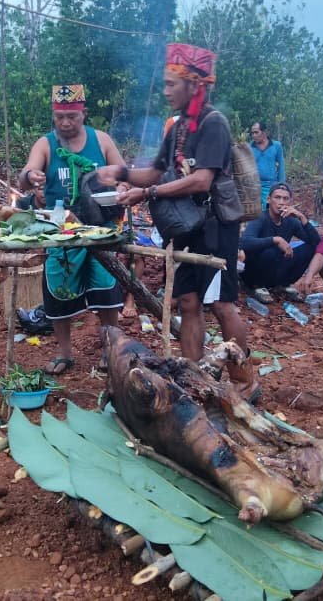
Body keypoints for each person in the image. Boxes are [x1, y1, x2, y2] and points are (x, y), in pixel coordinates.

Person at [97, 43, 261, 402]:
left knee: (221, 304)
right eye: (167, 83)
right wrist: (122, 173)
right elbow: (156, 171)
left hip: (216, 226)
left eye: (172, 83)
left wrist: (149, 193)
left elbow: (202, 180)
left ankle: (245, 378)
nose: (167, 90)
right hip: (189, 226)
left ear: (193, 85)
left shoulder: (213, 123)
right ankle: (191, 376)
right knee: (187, 301)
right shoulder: (179, 127)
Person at [17, 84, 126, 375]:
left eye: (72, 117)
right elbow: (24, 178)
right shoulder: (46, 144)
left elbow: (123, 173)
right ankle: (64, 353)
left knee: (106, 289)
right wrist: (31, 176)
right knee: (58, 291)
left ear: (83, 113)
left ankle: (110, 350)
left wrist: (120, 186)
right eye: (59, 117)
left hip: (99, 229)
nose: (65, 123)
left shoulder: (101, 140)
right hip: (61, 230)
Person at [240, 183, 320, 303]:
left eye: (285, 198)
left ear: (290, 202)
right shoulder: (260, 218)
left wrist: (303, 219)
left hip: (275, 270)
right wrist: (275, 240)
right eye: (277, 197)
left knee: (309, 249)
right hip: (254, 272)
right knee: (270, 251)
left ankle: (284, 284)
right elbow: (245, 242)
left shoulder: (291, 221)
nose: (281, 202)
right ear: (268, 200)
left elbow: (316, 243)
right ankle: (257, 287)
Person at [249, 121, 285, 205]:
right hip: (253, 186)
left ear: (264, 132)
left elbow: (281, 166)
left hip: (271, 185)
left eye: (256, 132)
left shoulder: (276, 146)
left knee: (270, 211)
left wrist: (282, 185)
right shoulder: (249, 147)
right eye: (252, 133)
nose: (254, 135)